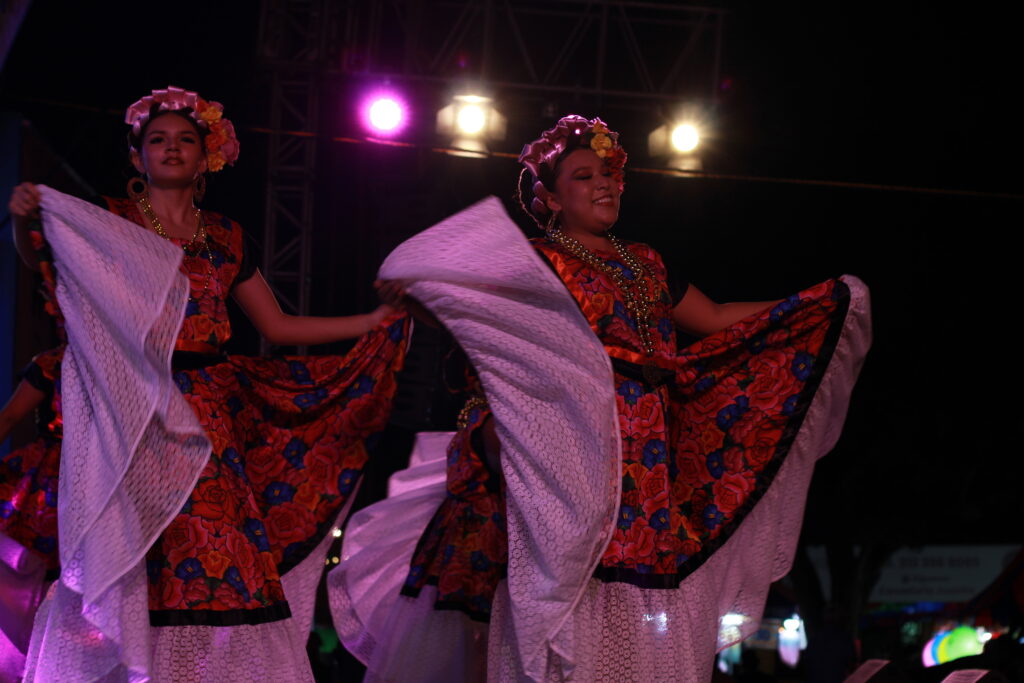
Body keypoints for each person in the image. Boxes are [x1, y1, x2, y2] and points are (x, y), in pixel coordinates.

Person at [331, 115, 871, 681]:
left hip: (645, 449)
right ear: (551, 200)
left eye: (609, 173)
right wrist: (414, 290)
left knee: (633, 578)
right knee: (570, 574)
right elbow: (455, 304)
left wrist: (811, 304)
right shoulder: (538, 262)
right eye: (584, 176)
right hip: (576, 437)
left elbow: (711, 318)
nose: (605, 183)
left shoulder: (647, 263)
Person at [6, 86, 410, 682]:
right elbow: (43, 259)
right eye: (157, 140)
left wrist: (370, 321)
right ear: (138, 156)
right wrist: (20, 223)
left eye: (185, 140)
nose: (170, 149)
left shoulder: (225, 237)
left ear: (206, 157)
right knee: (138, 559)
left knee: (220, 555)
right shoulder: (110, 219)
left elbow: (276, 324)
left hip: (209, 416)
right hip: (135, 411)